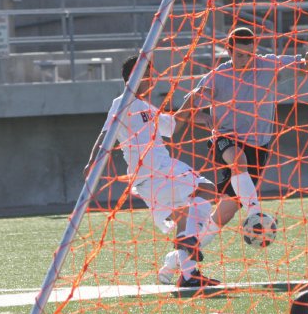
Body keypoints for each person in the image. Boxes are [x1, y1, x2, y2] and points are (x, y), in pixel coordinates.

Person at [85, 54, 220, 292]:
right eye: (149, 74)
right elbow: (104, 135)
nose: (153, 79)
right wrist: (92, 162)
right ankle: (185, 247)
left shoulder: (148, 107)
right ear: (136, 77)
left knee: (185, 216)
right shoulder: (122, 102)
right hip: (157, 170)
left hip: (152, 178)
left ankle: (188, 274)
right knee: (207, 190)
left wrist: (192, 107)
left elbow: (173, 127)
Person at [175, 26, 308, 243]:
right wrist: (204, 119)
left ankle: (183, 256)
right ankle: (256, 213)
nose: (246, 59)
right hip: (225, 140)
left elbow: (304, 66)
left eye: (250, 54)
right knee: (238, 159)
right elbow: (187, 112)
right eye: (240, 55)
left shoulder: (267, 64)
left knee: (225, 213)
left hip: (259, 147)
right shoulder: (217, 76)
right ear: (229, 51)